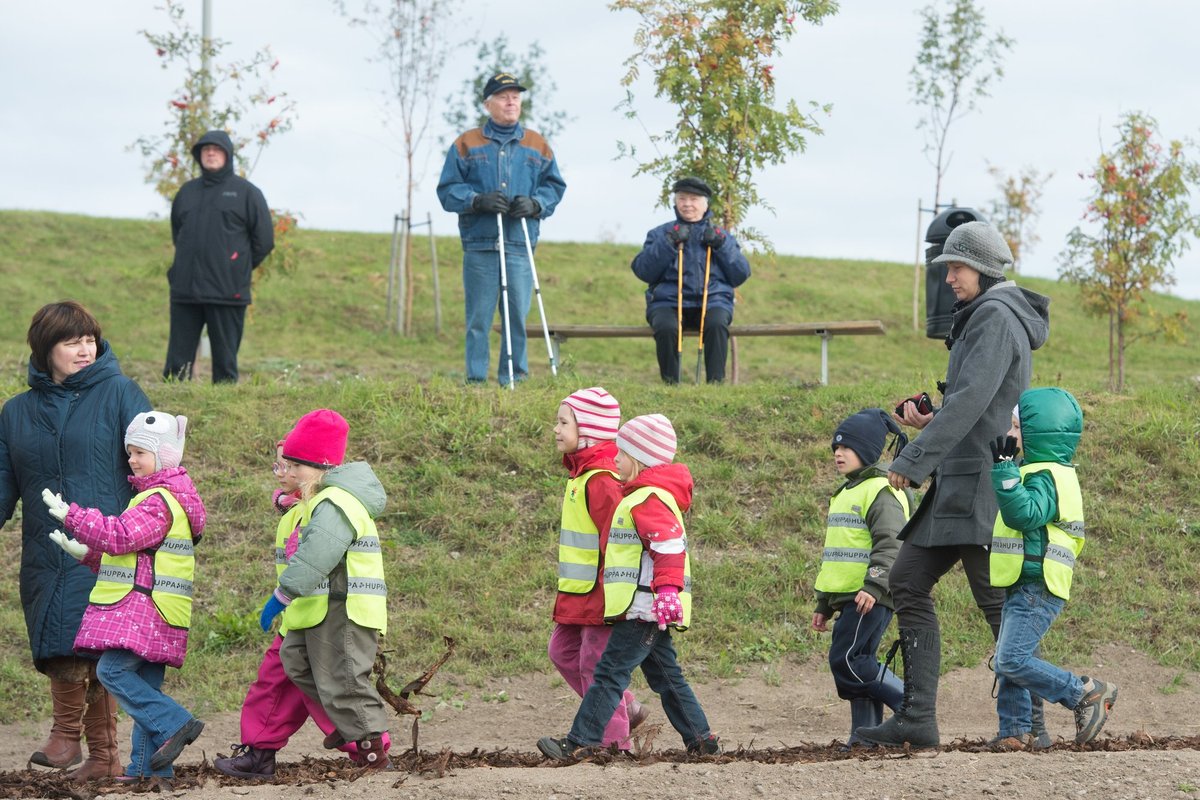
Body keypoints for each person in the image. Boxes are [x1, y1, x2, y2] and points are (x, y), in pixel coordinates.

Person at [857, 221, 1050, 749]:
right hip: (959, 483)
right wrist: (928, 421)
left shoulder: (994, 316)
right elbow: (973, 401)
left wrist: (914, 458)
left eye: (957, 268)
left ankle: (1035, 723)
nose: (949, 279)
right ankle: (919, 717)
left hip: (982, 486)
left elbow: (971, 403)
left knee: (998, 607)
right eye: (946, 268)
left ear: (984, 270)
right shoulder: (989, 315)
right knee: (908, 580)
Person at [0, 301, 151, 781]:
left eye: (90, 339)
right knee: (63, 636)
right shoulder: (16, 412)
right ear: (46, 350)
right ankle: (104, 759)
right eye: (72, 342)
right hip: (47, 552)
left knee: (97, 645)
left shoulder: (122, 393)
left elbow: (157, 465)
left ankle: (68, 736)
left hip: (112, 545)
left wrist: (167, 521)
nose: (85, 349)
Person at [538, 414, 719, 761]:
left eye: (620, 454)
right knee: (666, 676)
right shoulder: (639, 496)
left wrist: (666, 591)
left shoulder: (649, 498)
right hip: (644, 608)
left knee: (608, 674)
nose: (614, 459)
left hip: (644, 608)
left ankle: (581, 741)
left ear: (638, 459)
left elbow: (667, 546)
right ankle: (702, 740)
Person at [42, 411, 207, 781]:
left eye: (139, 453)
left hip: (144, 609)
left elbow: (121, 536)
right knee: (145, 685)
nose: (131, 460)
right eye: (129, 452)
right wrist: (87, 555)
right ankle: (148, 771)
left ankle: (174, 722)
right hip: (162, 609)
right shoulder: (160, 498)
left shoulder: (158, 500)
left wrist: (74, 517)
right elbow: (137, 558)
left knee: (111, 671)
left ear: (164, 456)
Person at [259, 409, 393, 768]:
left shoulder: (337, 502)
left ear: (320, 466)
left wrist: (282, 595)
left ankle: (373, 752)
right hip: (324, 607)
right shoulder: (319, 500)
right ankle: (351, 727)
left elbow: (318, 554)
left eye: (296, 467)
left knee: (345, 679)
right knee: (296, 661)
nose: (289, 474)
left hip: (344, 609)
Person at [215, 439, 354, 780]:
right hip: (299, 618)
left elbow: (312, 562)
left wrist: (280, 598)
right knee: (274, 683)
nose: (282, 473)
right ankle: (259, 755)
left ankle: (369, 748)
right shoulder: (298, 509)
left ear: (313, 468)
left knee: (330, 689)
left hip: (326, 620)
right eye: (279, 466)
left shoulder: (323, 506)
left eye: (289, 466)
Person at [989, 388, 1117, 748]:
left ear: (1037, 433)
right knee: (1010, 658)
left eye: (1016, 427)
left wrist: (1004, 472)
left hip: (1038, 584)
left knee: (1011, 659)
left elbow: (1024, 513)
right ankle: (1016, 730)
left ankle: (1083, 693)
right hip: (1024, 581)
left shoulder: (1047, 475)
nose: (1011, 435)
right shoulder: (1041, 471)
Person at [436, 71, 567, 385]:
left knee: (516, 319)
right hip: (480, 244)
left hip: (519, 245)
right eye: (503, 96)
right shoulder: (466, 143)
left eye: (516, 96)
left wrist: (536, 204)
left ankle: (514, 379)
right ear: (487, 103)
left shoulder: (537, 144)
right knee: (478, 320)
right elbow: (447, 189)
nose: (511, 101)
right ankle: (476, 380)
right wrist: (476, 200)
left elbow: (554, 186)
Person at [548, 388, 648, 751]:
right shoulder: (580, 474)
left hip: (602, 594)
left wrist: (619, 593)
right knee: (562, 652)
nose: (555, 429)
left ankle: (613, 742)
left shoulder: (601, 479)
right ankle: (625, 704)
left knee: (594, 664)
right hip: (578, 592)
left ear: (587, 430)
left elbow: (619, 540)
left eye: (563, 422)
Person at [812, 409, 912, 748]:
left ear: (868, 451)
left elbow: (892, 543)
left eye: (847, 448)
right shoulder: (847, 491)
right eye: (835, 448)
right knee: (860, 660)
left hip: (871, 593)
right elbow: (839, 554)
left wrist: (874, 585)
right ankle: (866, 737)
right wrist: (824, 603)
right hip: (850, 596)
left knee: (849, 660)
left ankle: (913, 712)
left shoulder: (881, 490)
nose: (838, 454)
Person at [163, 129, 275, 384]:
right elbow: (177, 235)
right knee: (177, 362)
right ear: (199, 156)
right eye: (205, 150)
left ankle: (223, 405)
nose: (210, 153)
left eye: (216, 149)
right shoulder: (186, 193)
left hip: (227, 291)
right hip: (186, 290)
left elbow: (264, 241)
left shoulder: (247, 193)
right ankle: (170, 405)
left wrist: (237, 266)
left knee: (225, 362)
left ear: (228, 155)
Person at [630, 176, 751, 384]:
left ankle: (715, 384)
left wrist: (721, 245)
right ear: (675, 203)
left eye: (694, 199)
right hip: (668, 302)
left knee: (716, 323)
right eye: (682, 198)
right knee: (666, 327)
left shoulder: (722, 235)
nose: (687, 204)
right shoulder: (660, 233)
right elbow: (643, 271)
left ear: (706, 205)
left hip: (713, 300)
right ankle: (670, 384)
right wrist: (668, 243)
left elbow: (740, 274)